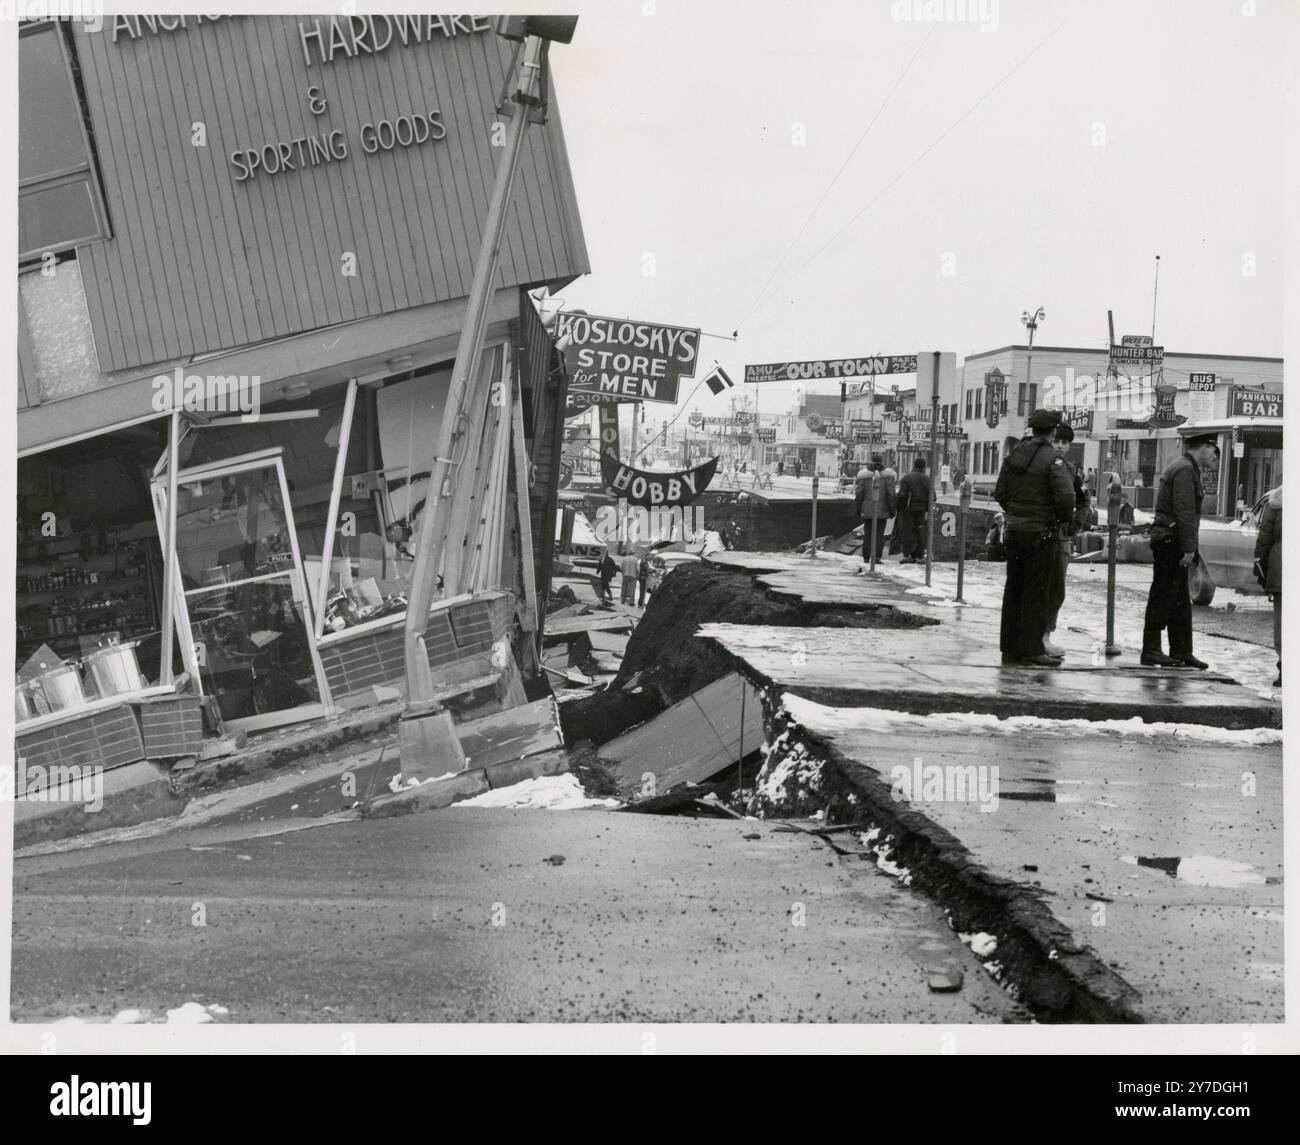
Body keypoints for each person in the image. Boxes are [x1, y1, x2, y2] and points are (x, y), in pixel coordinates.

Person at [994, 409, 1076, 666]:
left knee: (1014, 589)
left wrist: (1016, 512)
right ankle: (1031, 649)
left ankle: (1010, 648)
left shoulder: (1014, 455)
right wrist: (1060, 519)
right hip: (1041, 532)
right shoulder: (1053, 460)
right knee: (1036, 591)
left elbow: (1000, 492)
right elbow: (1066, 497)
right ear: (1052, 432)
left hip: (1016, 530)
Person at [1141, 434, 1219, 668]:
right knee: (1164, 594)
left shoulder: (1186, 467)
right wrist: (1188, 548)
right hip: (1171, 540)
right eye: (1214, 451)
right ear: (1204, 447)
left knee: (1179, 599)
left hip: (1172, 538)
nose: (1215, 458)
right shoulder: (1185, 470)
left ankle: (1182, 651)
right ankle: (1151, 650)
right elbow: (1185, 512)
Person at [1042, 423, 1091, 654]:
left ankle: (1046, 634)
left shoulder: (1072, 471)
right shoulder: (1042, 465)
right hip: (1041, 531)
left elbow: (1083, 500)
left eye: (1064, 443)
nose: (1060, 446)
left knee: (1057, 588)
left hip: (1061, 535)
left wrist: (1076, 524)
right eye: (1057, 441)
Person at [1254, 485, 1282, 687]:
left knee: (1283, 622)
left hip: (1281, 567)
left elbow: (1264, 540)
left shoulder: (1278, 498)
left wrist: (1262, 570)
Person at [853, 454, 897, 569]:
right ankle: (877, 556)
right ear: (882, 461)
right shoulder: (888, 476)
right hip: (882, 509)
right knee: (879, 534)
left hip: (867, 508)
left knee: (868, 533)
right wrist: (892, 509)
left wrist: (859, 508)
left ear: (871, 461)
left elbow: (859, 494)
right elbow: (891, 494)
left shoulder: (863, 475)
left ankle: (866, 556)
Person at [895, 457, 931, 563]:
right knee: (920, 531)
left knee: (908, 532)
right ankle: (920, 556)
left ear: (914, 465)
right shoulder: (928, 479)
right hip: (922, 510)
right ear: (924, 467)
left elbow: (902, 495)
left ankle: (907, 555)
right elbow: (933, 497)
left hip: (908, 509)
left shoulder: (907, 478)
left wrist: (899, 508)